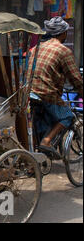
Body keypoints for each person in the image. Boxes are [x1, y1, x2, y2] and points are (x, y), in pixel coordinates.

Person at [28, 16, 83, 158]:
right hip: (45, 93)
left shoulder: (36, 48)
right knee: (67, 116)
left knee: (42, 121)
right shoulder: (63, 51)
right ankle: (47, 141)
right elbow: (76, 79)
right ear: (63, 33)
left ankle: (40, 153)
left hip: (29, 91)